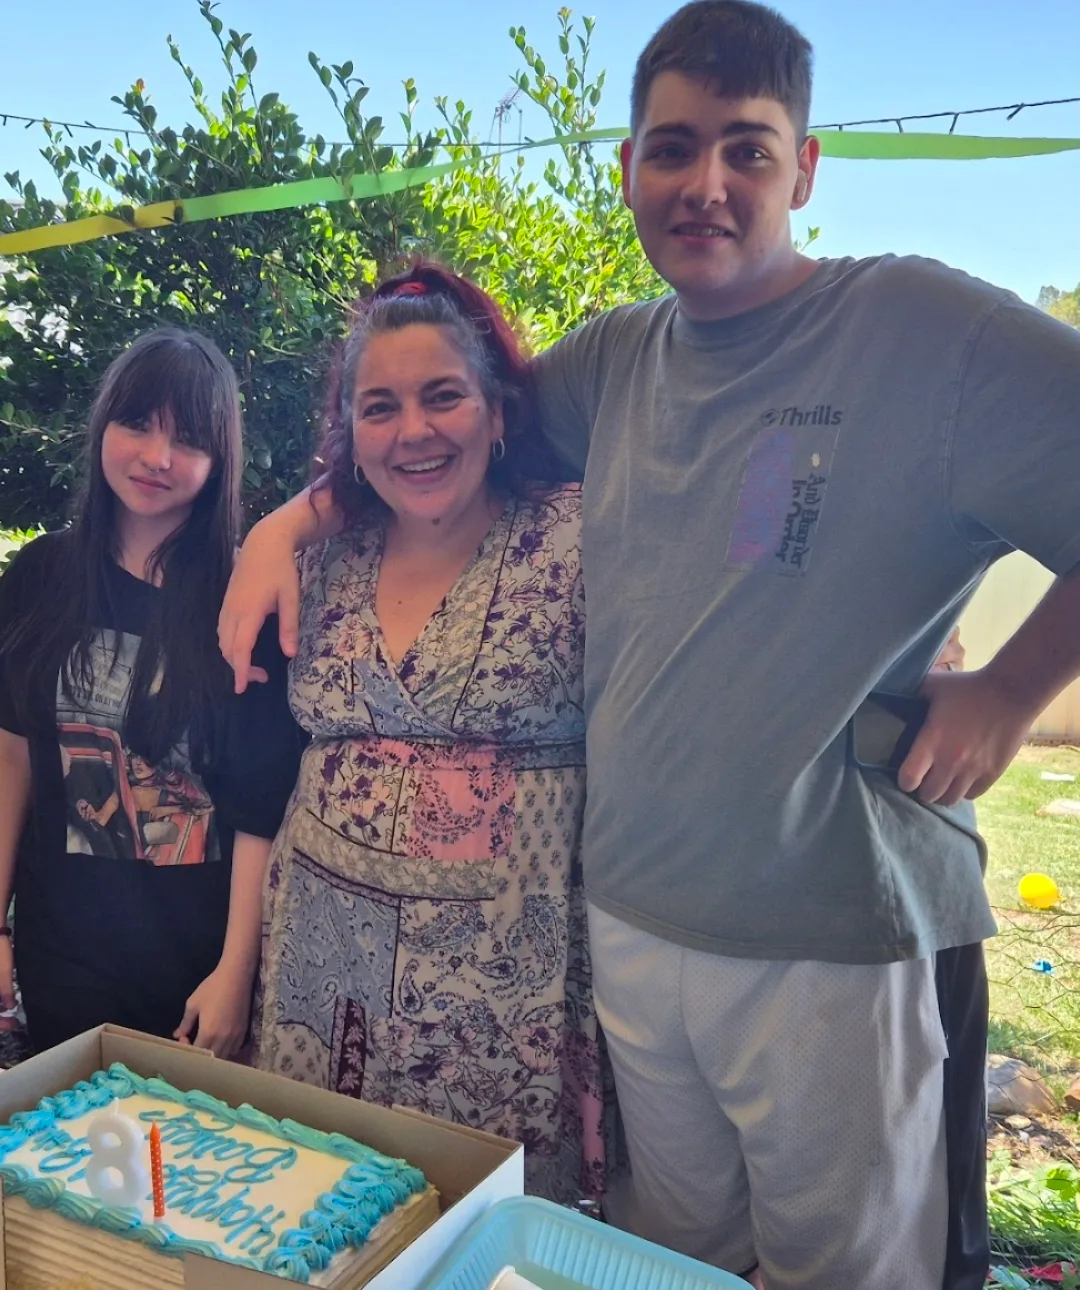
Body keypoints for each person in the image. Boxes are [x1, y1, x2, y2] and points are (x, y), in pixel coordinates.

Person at [217, 4, 1080, 1286]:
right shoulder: (619, 356)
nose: (707, 185)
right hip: (631, 927)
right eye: (672, 149)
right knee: (664, 1264)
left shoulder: (916, 328)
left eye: (747, 147)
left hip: (826, 931)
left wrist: (1015, 687)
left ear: (807, 165)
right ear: (626, 169)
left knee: (846, 1267)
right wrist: (281, 523)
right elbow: (442, 431)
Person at [251, 262, 608, 1204]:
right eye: (380, 407)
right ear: (351, 438)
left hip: (501, 991)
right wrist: (271, 532)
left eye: (442, 396)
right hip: (318, 970)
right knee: (319, 1219)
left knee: (474, 1237)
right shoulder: (318, 554)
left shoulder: (582, 539)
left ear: (498, 415)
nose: (413, 429)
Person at [0, 328, 302, 1057]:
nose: (157, 458)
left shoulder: (243, 601)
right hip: (60, 957)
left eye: (189, 439)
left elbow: (259, 807)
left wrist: (237, 970)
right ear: (104, 423)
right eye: (137, 424)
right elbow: (10, 759)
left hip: (197, 973)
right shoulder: (41, 576)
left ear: (219, 458)